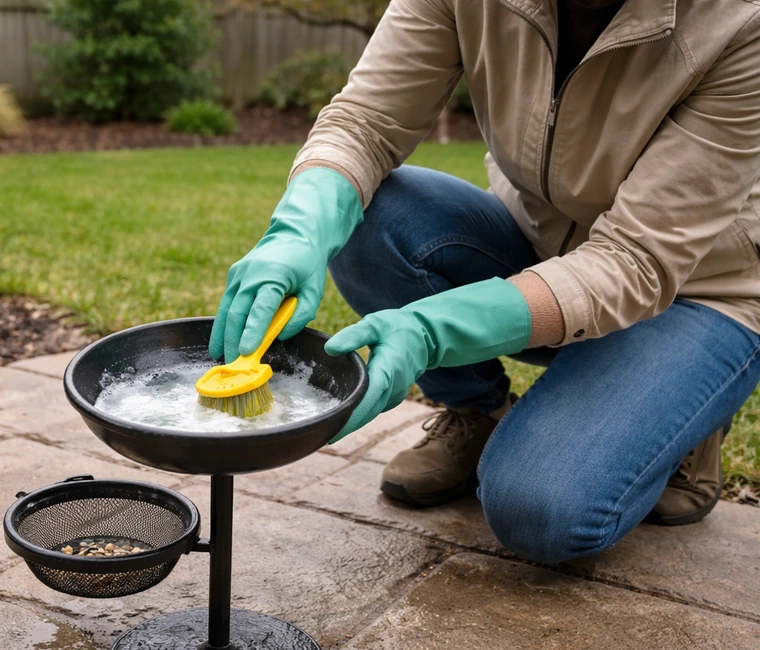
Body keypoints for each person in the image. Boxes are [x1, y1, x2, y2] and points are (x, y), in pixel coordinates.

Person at [209, 0, 760, 564]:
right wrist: (297, 230)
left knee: (540, 509)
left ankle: (685, 414)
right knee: (367, 211)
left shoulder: (739, 22)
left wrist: (431, 330)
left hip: (693, 289)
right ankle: (477, 411)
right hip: (539, 246)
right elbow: (365, 122)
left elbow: (635, 260)